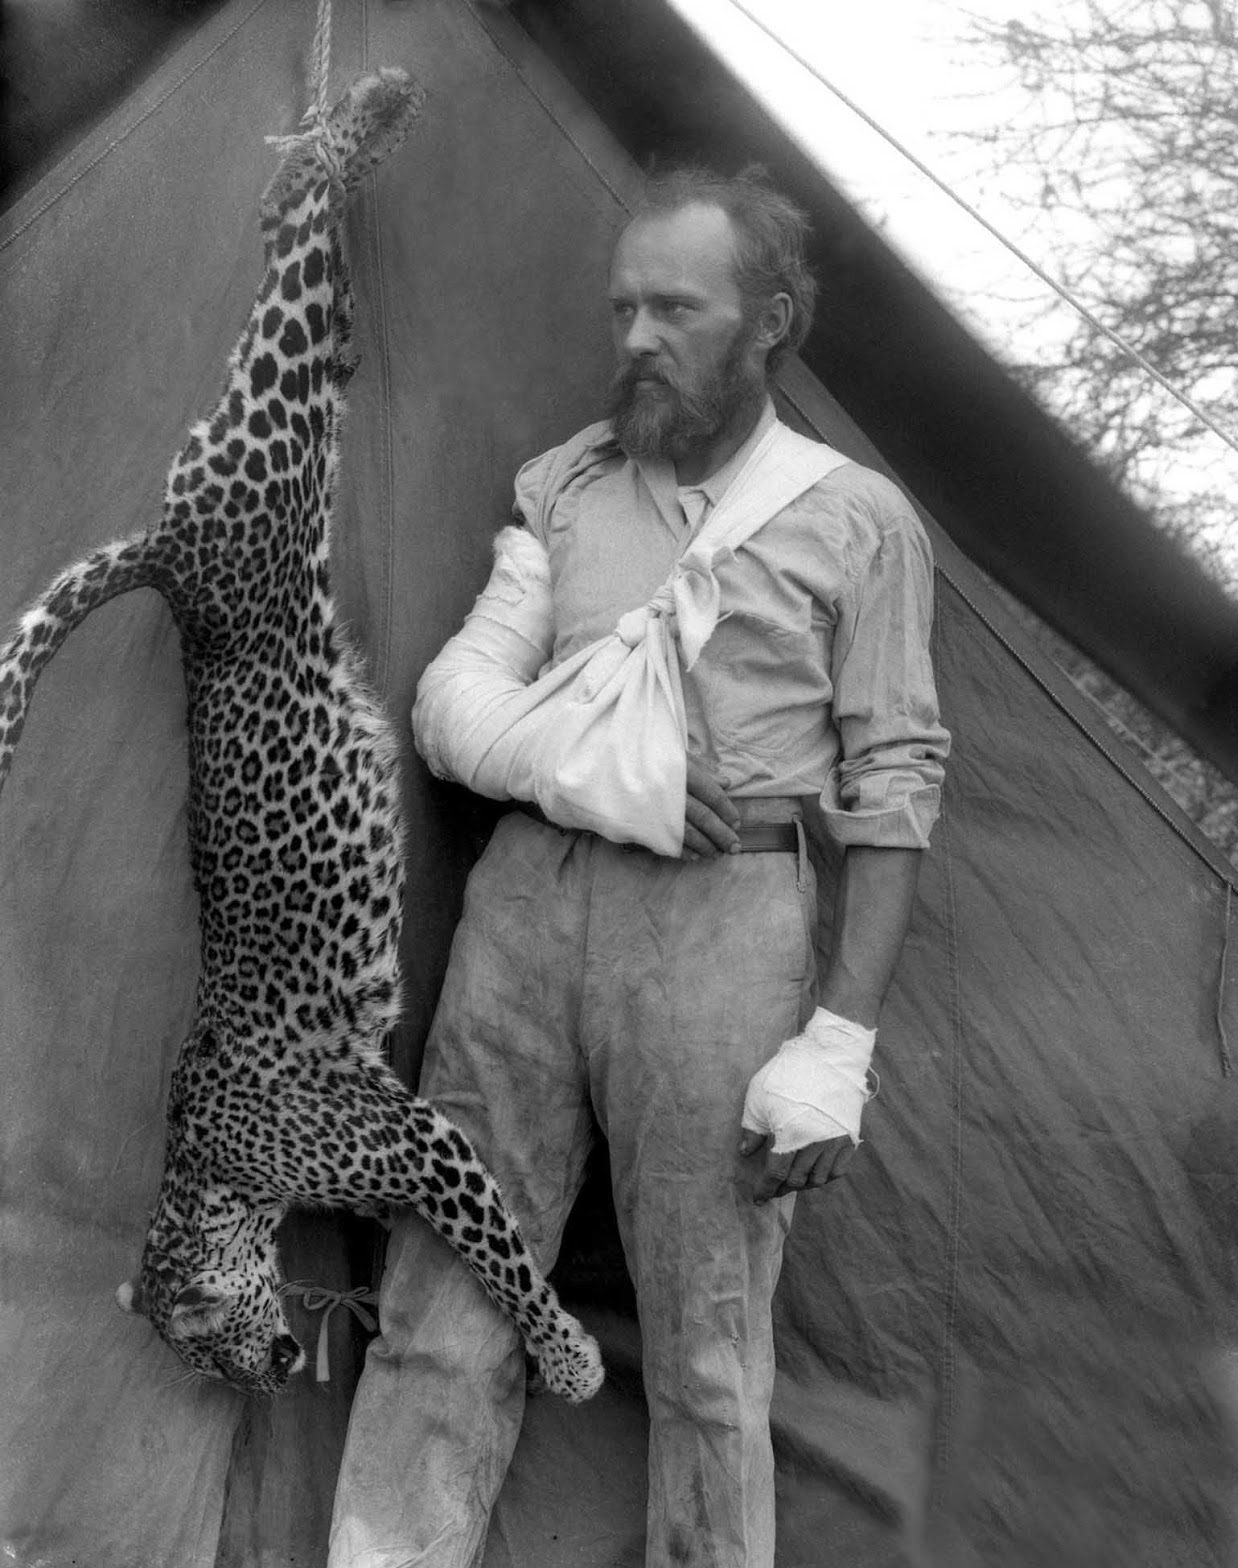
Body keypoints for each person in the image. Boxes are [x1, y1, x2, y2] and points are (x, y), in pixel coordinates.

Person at [328, 165, 950, 1568]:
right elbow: (461, 711)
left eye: (676, 307)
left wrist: (838, 1045)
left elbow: (898, 791)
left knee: (710, 1357)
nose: (636, 338)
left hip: (727, 937)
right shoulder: (564, 485)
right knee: (439, 1309)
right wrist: (612, 775)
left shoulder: (857, 522)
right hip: (525, 910)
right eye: (624, 307)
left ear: (770, 318)